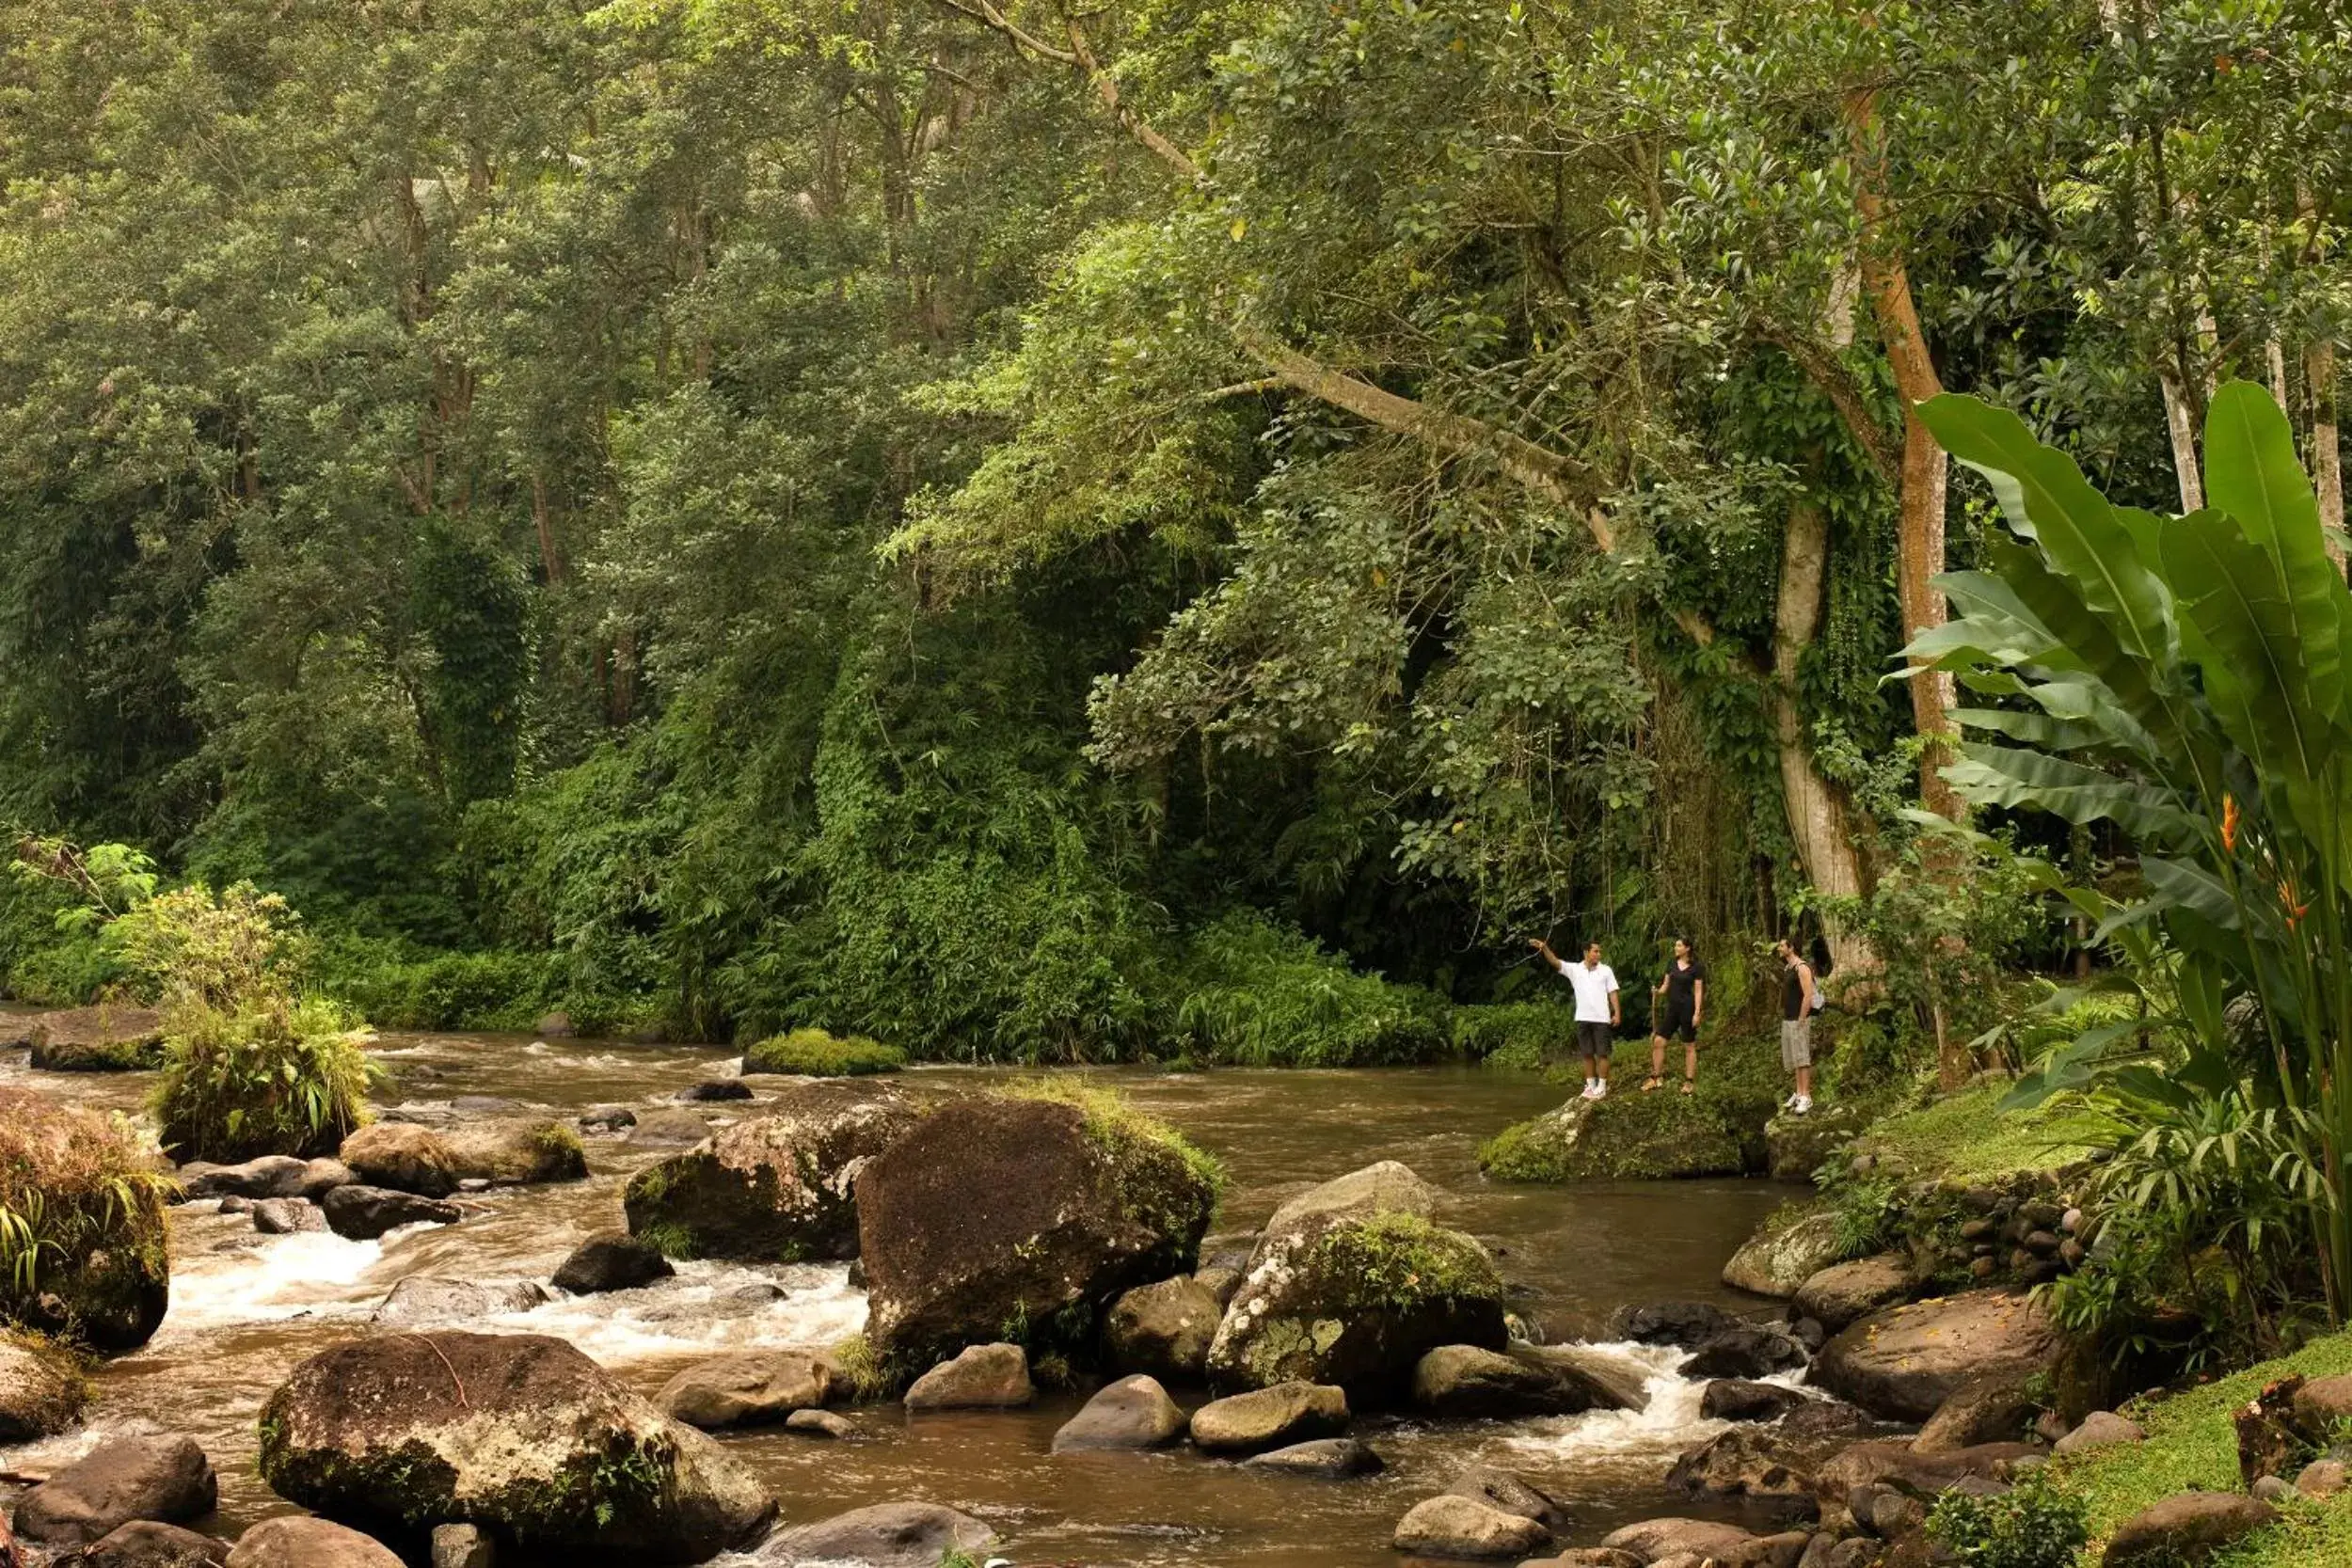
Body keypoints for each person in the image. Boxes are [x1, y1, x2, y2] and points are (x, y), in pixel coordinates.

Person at [1529, 936, 1620, 1099]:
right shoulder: (1575, 969)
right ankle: (1591, 1086)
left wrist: (1617, 1013)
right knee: (1587, 1053)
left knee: (1603, 1053)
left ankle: (1602, 1087)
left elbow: (1613, 992)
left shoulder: (1606, 970)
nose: (1599, 954)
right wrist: (1544, 948)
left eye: (1599, 952)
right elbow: (1556, 962)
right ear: (1586, 952)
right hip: (1583, 1018)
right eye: (1595, 951)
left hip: (1601, 1019)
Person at [1643, 937, 1706, 1095]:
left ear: (1687, 948)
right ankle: (1656, 1077)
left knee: (1689, 1045)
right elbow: (1665, 986)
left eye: (1679, 945)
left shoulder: (1696, 967)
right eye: (1675, 945)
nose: (1675, 947)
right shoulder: (1671, 964)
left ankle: (1689, 1081)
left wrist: (1697, 1013)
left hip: (1688, 1009)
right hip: (1673, 1009)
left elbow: (1698, 991)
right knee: (1659, 1041)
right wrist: (1657, 992)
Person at [1776, 937, 1818, 1116]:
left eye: (1782, 945)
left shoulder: (1802, 967)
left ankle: (1806, 1096)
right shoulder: (1788, 968)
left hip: (1799, 1018)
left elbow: (1808, 994)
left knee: (1802, 1056)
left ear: (1791, 948)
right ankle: (1799, 1092)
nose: (1779, 948)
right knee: (1794, 1058)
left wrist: (1802, 1017)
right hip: (1788, 1018)